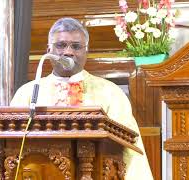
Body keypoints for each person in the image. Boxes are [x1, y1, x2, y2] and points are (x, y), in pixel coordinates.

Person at [11, 17, 153, 179]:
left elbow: (129, 149)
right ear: (48, 50)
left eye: (76, 46)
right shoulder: (29, 93)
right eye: (61, 45)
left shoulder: (110, 93)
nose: (68, 52)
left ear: (86, 51)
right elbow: (12, 146)